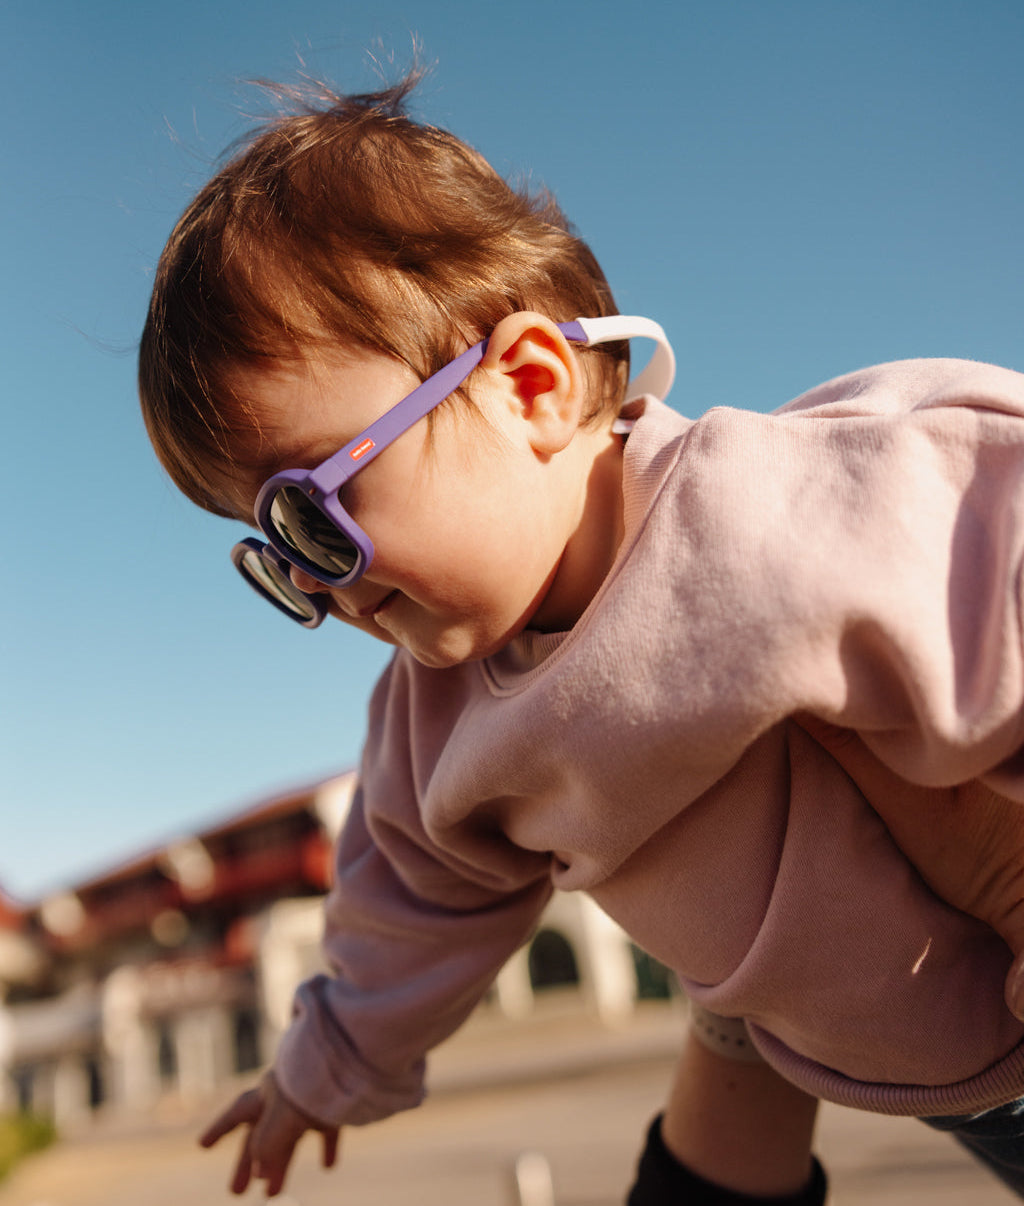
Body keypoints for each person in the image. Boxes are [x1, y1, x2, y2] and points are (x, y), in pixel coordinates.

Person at [138, 72, 1024, 1204]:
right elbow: (404, 913)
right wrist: (322, 1070)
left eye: (312, 511)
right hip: (944, 1092)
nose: (323, 584)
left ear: (530, 386)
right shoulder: (433, 722)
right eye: (275, 552)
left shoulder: (779, 506)